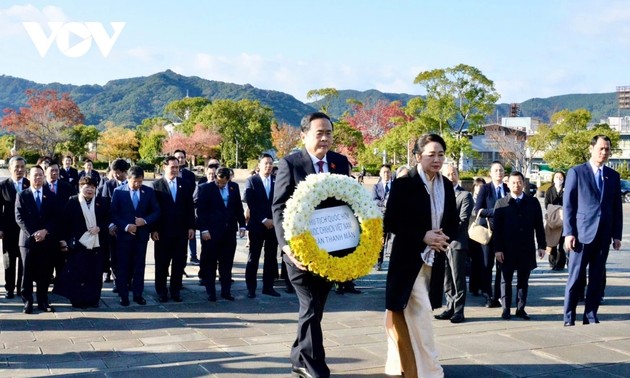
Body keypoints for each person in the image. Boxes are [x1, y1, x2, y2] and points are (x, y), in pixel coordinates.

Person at [272, 112, 351, 378]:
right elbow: (279, 208)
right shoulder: (290, 164)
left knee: (316, 308)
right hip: (299, 253)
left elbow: (346, 204)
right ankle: (314, 366)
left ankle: (298, 356)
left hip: (330, 250)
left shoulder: (340, 163)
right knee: (310, 305)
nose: (326, 138)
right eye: (320, 133)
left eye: (329, 133)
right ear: (304, 135)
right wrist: (286, 247)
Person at [384, 134, 458, 378]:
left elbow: (452, 222)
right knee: (423, 313)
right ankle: (431, 370)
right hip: (408, 259)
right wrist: (423, 236)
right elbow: (392, 221)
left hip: (434, 258)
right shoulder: (404, 184)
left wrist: (442, 237)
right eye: (431, 155)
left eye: (440, 154)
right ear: (418, 156)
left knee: (411, 314)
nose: (437, 160)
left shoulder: (446, 185)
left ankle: (399, 363)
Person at [562, 135, 622, 326]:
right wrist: (569, 232)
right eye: (601, 148)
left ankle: (590, 315)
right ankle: (569, 316)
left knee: (597, 278)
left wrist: (617, 235)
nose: (604, 152)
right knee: (576, 278)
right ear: (591, 148)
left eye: (607, 149)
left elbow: (616, 208)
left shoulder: (612, 176)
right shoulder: (577, 172)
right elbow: (569, 205)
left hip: (603, 235)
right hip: (580, 235)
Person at [493, 171, 546, 320]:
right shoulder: (501, 203)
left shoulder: (533, 202)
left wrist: (542, 245)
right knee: (506, 280)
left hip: (526, 248)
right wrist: (498, 249)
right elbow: (497, 230)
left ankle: (520, 308)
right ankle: (506, 309)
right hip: (506, 249)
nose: (516, 185)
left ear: (524, 184)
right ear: (508, 184)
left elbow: (539, 226)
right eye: (513, 182)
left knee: (523, 281)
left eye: (519, 182)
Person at [54, 176, 108, 309]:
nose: (90, 190)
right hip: (78, 243)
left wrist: (99, 227)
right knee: (78, 272)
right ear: (80, 187)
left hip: (96, 243)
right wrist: (64, 241)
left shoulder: (101, 201)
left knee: (95, 273)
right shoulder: (73, 201)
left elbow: (108, 219)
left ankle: (93, 299)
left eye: (92, 187)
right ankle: (77, 299)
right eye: (87, 186)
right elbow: (64, 223)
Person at [110, 166, 160, 307]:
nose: (137, 184)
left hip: (141, 236)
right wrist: (126, 226)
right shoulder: (119, 192)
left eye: (140, 181)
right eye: (135, 182)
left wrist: (144, 221)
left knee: (139, 266)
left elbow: (156, 211)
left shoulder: (148, 192)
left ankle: (138, 294)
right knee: (123, 266)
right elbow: (113, 213)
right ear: (128, 178)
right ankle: (123, 295)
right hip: (124, 236)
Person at [194, 167, 246, 302]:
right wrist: (203, 230)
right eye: (218, 182)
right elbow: (201, 211)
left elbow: (238, 208)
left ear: (229, 179)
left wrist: (242, 225)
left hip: (229, 232)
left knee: (227, 263)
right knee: (210, 263)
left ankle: (226, 291)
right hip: (211, 233)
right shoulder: (206, 188)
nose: (220, 185)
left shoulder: (234, 187)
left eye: (223, 183)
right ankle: (211, 292)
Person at [15, 165, 60, 314]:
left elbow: (55, 218)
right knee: (26, 273)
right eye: (35, 175)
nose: (38, 178)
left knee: (44, 272)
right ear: (29, 177)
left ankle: (43, 301)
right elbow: (19, 218)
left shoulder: (51, 195)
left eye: (41, 175)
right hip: (28, 241)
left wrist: (45, 231)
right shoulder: (22, 195)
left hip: (46, 240)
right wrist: (34, 233)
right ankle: (27, 301)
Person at [151, 156, 195, 302]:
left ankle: (176, 290)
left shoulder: (185, 184)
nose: (175, 170)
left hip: (181, 231)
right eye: (172, 167)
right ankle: (161, 291)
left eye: (177, 167)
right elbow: (153, 209)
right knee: (162, 263)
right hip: (162, 232)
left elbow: (190, 207)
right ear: (165, 167)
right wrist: (154, 229)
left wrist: (191, 226)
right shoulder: (156, 185)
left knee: (178, 262)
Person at [434, 163, 472, 324]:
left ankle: (459, 310)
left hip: (456, 243)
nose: (451, 177)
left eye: (453, 173)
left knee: (458, 279)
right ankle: (449, 306)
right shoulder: (439, 193)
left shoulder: (465, 196)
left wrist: (443, 235)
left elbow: (463, 221)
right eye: (448, 174)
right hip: (441, 243)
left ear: (457, 175)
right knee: (447, 278)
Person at [244, 154, 281, 298]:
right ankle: (251, 288)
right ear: (259, 165)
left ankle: (268, 286)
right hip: (257, 225)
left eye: (271, 163)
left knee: (271, 257)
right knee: (253, 257)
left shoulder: (276, 181)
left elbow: (279, 202)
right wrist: (264, 219)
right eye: (266, 163)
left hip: (273, 225)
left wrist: (273, 220)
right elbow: (251, 203)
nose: (269, 166)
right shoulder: (251, 181)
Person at [473, 161, 509, 308]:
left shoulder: (508, 188)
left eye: (501, 170)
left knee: (502, 265)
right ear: (490, 173)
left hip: (504, 234)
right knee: (487, 265)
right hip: (488, 232)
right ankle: (488, 295)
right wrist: (497, 212)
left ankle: (500, 295)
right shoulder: (485, 189)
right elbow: (478, 210)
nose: (499, 173)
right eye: (496, 170)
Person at [0, 156, 30, 299]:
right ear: (10, 168)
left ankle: (21, 288)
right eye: (16, 167)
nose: (19, 170)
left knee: (24, 259)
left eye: (22, 167)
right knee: (9, 260)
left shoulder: (29, 184)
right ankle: (9, 288)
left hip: (25, 230)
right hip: (8, 230)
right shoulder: (3, 186)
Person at [44, 160, 78, 282]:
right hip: (46, 230)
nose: (54, 173)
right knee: (46, 262)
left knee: (62, 260)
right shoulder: (41, 187)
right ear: (45, 172)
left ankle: (61, 285)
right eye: (51, 171)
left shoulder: (67, 187)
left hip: (63, 230)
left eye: (56, 171)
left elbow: (74, 208)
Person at [99, 158, 130, 287]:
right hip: (113, 227)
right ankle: (118, 281)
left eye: (119, 172)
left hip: (128, 226)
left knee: (128, 256)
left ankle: (129, 280)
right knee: (114, 255)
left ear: (125, 172)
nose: (116, 175)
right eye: (114, 172)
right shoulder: (109, 184)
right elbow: (105, 206)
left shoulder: (132, 183)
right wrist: (110, 224)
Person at [468, 177, 486, 297]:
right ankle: (473, 286)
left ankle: (481, 285)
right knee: (474, 261)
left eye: (482, 186)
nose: (479, 188)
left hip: (484, 233)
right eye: (477, 186)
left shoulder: (485, 199)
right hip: (472, 233)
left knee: (482, 261)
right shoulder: (469, 198)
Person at [544, 171, 566, 270]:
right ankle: (552, 263)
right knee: (552, 242)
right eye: (556, 177)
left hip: (563, 219)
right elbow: (546, 204)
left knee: (562, 243)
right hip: (552, 219)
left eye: (560, 177)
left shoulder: (566, 189)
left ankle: (560, 264)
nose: (558, 179)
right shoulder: (549, 190)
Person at [373, 164, 392, 271]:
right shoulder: (376, 187)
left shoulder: (396, 185)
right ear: (380, 174)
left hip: (395, 217)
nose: (386, 174)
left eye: (388, 172)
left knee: (394, 241)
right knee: (381, 241)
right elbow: (374, 200)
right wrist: (384, 203)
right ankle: (378, 262)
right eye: (384, 172)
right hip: (381, 217)